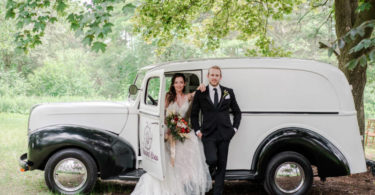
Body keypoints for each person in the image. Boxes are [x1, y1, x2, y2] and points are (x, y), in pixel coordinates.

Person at [131, 73, 212, 195]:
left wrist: (202, 85)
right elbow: (163, 115)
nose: (179, 85)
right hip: (171, 132)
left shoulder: (188, 97)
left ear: (184, 84)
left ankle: (186, 186)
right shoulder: (168, 97)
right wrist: (168, 130)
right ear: (173, 84)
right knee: (171, 161)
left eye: (181, 82)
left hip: (183, 132)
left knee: (192, 146)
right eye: (176, 82)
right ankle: (175, 187)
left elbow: (199, 90)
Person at [191, 65, 242, 195]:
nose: (214, 77)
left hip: (225, 134)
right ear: (208, 76)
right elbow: (194, 114)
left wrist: (234, 129)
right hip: (207, 134)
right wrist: (198, 131)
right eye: (212, 75)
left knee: (222, 165)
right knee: (212, 160)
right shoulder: (200, 92)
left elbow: (237, 112)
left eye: (217, 75)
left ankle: (217, 192)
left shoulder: (228, 92)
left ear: (220, 77)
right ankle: (209, 173)